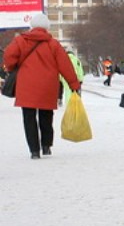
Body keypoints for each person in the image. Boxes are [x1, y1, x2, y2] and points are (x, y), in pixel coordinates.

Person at [2, 13, 81, 159]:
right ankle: (46, 146)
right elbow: (65, 65)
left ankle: (34, 150)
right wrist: (73, 84)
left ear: (31, 26)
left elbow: (8, 56)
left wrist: (13, 66)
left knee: (29, 117)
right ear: (47, 27)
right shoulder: (53, 44)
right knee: (46, 116)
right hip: (48, 86)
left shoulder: (20, 41)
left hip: (26, 85)